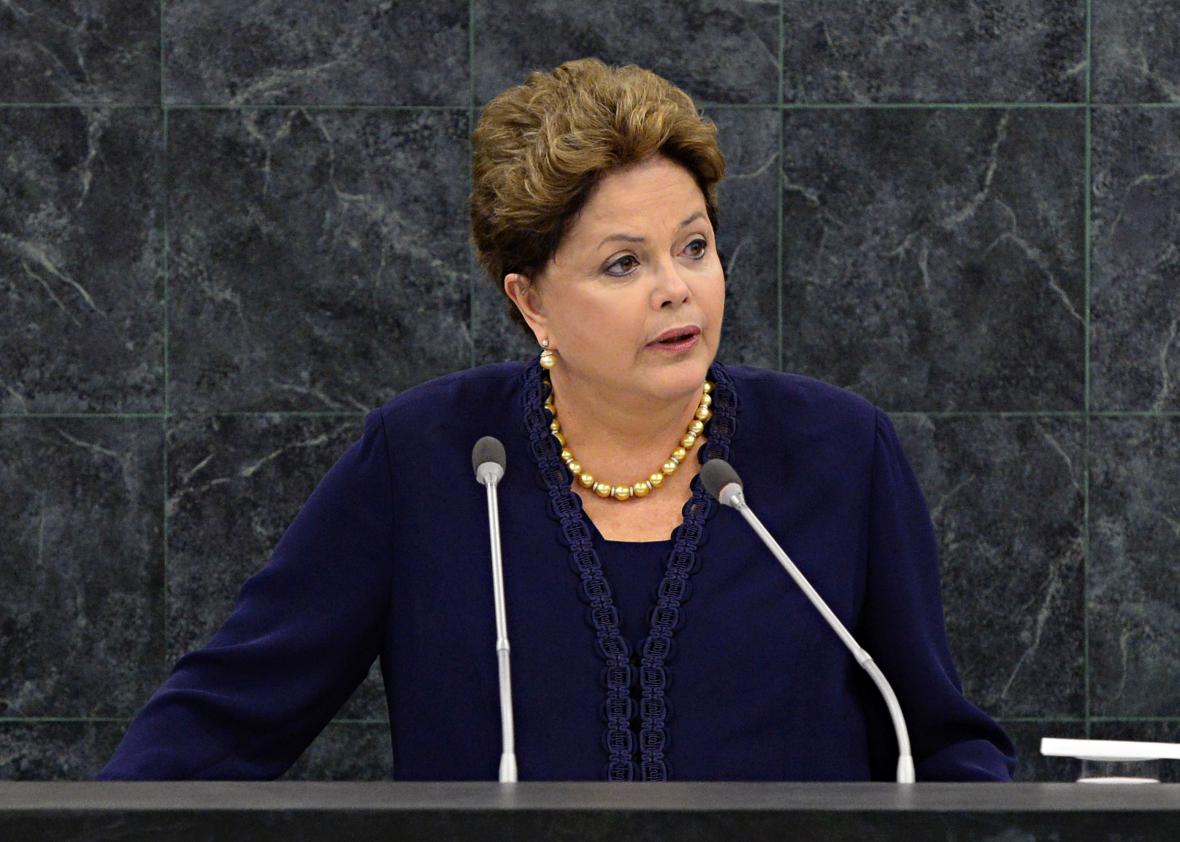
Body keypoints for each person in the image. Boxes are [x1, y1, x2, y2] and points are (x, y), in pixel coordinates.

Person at [96, 57, 1016, 782]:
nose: (676, 289)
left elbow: (937, 740)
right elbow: (223, 717)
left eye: (694, 246)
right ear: (532, 301)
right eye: (624, 264)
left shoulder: (839, 452)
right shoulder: (427, 459)